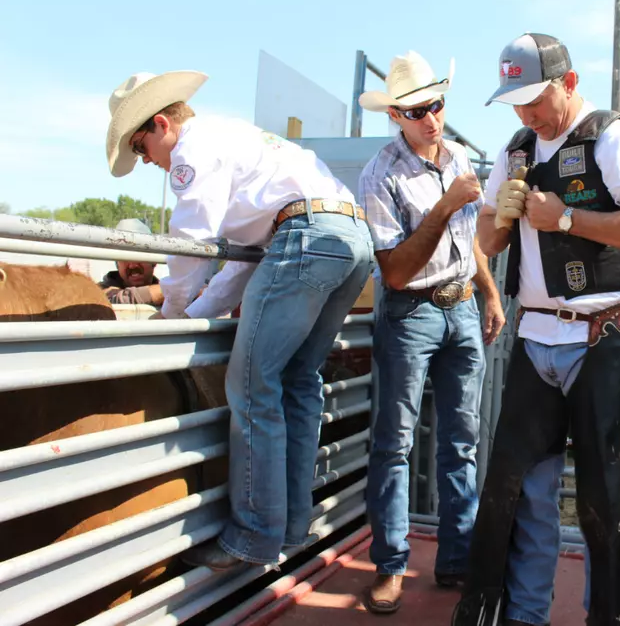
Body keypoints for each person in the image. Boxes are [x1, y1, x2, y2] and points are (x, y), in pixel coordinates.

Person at [105, 70, 375, 569]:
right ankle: (293, 525)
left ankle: (253, 536)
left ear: (162, 124)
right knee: (297, 379)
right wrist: (187, 314)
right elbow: (238, 263)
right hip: (348, 238)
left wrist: (169, 311)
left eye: (142, 149)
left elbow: (190, 245)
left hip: (305, 238)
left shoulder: (191, 151)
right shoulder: (238, 141)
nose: (148, 162)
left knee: (252, 386)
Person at [452, 33, 620, 626]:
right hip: (536, 340)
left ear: (569, 83)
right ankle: (522, 618)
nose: (525, 113)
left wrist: (568, 217)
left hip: (606, 338)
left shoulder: (613, 138)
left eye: (533, 98)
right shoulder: (517, 148)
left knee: (611, 500)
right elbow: (486, 243)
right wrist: (500, 217)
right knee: (519, 495)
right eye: (515, 102)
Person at [355, 50, 506, 614]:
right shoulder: (380, 174)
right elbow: (394, 271)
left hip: (462, 305)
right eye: (417, 110)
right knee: (395, 443)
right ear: (395, 115)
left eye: (436, 105)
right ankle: (391, 565)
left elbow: (467, 243)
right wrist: (444, 204)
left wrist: (490, 293)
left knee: (460, 444)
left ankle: (457, 561)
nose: (431, 119)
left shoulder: (459, 155)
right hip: (410, 313)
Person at [97, 218, 164, 306]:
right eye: (124, 257)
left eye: (139, 255)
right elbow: (111, 298)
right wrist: (169, 292)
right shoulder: (98, 291)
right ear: (117, 263)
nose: (132, 265)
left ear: (154, 261)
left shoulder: (169, 291)